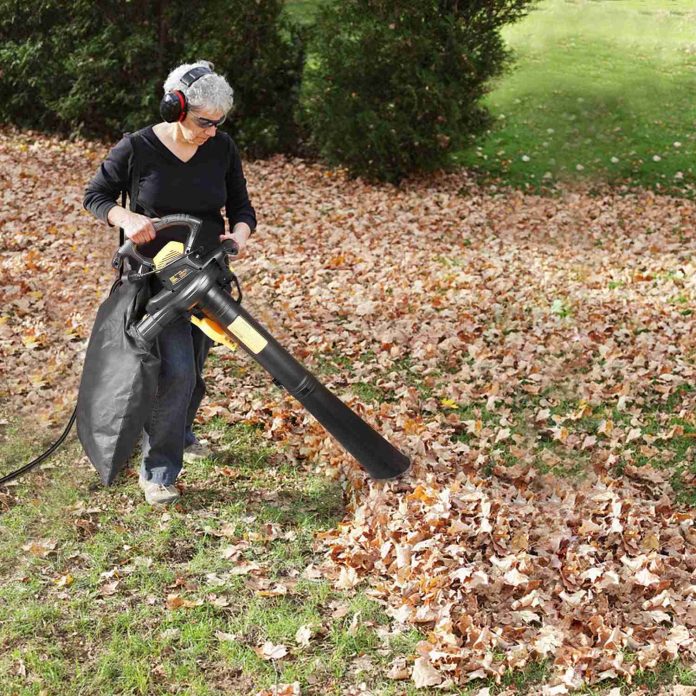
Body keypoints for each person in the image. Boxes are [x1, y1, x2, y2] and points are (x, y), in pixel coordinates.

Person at [83, 60, 257, 505]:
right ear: (175, 107)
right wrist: (126, 217)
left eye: (219, 123)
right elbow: (95, 196)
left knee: (195, 373)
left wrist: (237, 237)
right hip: (154, 277)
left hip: (207, 275)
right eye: (204, 122)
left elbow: (241, 207)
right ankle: (159, 470)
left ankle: (179, 430)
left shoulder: (222, 148)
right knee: (175, 372)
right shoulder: (137, 147)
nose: (212, 131)